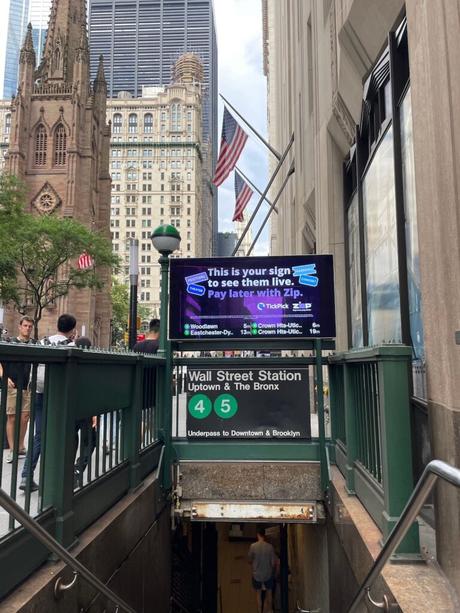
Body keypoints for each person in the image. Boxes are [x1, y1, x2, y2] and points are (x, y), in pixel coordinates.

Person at [20, 314, 77, 492]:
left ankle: (26, 476)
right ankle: (60, 477)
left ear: (57, 325)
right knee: (64, 435)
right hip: (58, 396)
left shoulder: (44, 342)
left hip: (38, 393)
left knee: (39, 435)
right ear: (72, 329)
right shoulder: (71, 346)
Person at [0, 316, 35, 463]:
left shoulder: (35, 344)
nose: (27, 328)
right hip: (12, 384)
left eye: (30, 326)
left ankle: (20, 446)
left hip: (27, 385)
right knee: (12, 417)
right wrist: (4, 377)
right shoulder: (10, 343)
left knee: (25, 417)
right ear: (19, 327)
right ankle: (13, 450)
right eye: (25, 326)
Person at [73, 336, 97, 488]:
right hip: (86, 409)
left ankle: (67, 471)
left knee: (71, 440)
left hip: (70, 409)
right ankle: (77, 469)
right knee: (90, 441)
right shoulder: (91, 364)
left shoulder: (68, 360)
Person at [248, 527, 277, 613]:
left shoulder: (253, 546)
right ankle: (270, 610)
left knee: (258, 594)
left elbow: (249, 560)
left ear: (258, 535)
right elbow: (273, 563)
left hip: (257, 575)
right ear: (264, 536)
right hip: (267, 574)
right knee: (269, 593)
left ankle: (259, 611)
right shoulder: (270, 547)